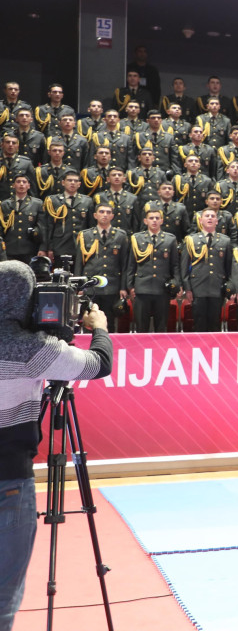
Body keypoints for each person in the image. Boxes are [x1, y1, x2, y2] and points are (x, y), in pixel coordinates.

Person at [0, 261, 113, 631]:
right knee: (3, 596)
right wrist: (101, 330)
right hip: (9, 480)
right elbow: (98, 364)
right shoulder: (32, 349)